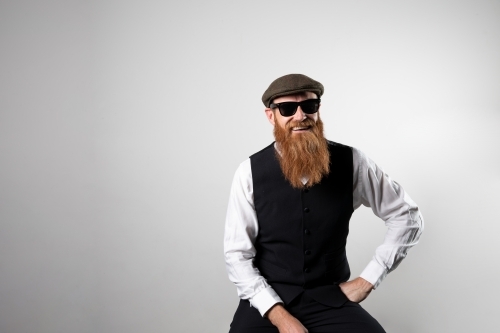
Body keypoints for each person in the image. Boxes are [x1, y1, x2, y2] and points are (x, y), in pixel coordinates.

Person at [224, 74, 423, 333]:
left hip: (329, 299)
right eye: (287, 108)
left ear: (318, 110)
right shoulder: (248, 172)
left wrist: (367, 280)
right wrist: (280, 317)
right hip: (267, 300)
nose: (300, 116)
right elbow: (237, 255)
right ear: (271, 116)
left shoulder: (353, 162)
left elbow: (406, 215)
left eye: (309, 106)